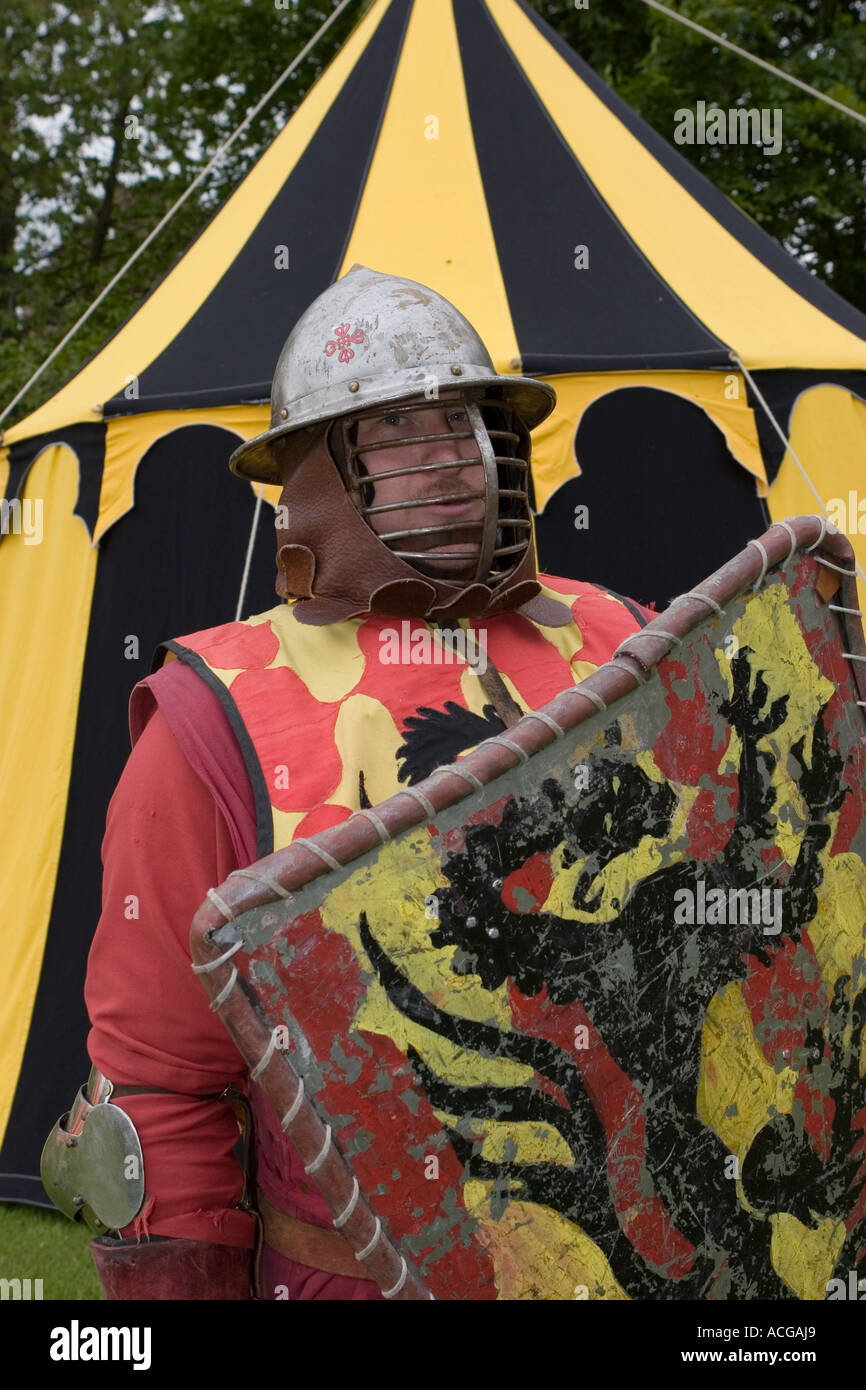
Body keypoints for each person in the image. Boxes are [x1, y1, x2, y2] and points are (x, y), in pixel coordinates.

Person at [43, 266, 652, 1299]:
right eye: (399, 431)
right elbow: (161, 1079)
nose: (451, 459)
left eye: (466, 423)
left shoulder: (626, 639)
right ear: (313, 470)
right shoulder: (215, 709)